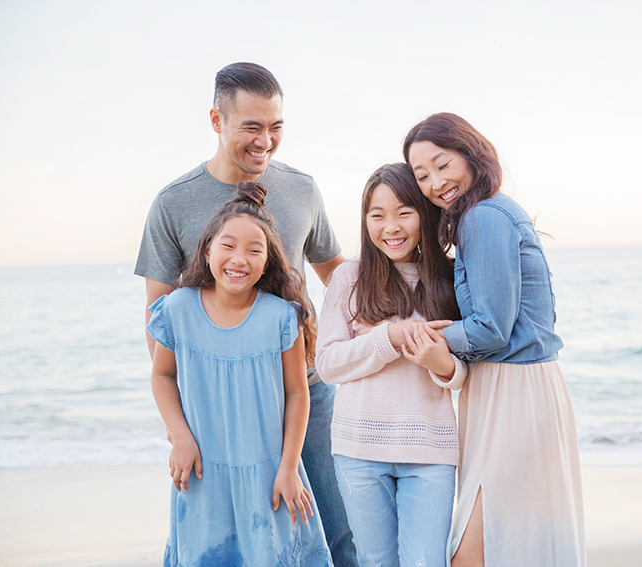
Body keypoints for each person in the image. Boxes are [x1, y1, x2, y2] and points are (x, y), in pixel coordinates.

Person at [135, 62, 357, 566]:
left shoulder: (302, 190)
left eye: (276, 127)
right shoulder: (173, 203)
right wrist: (183, 427)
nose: (266, 141)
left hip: (309, 387)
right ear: (216, 120)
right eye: (251, 127)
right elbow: (158, 317)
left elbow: (339, 279)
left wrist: (387, 331)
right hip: (223, 406)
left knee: (339, 525)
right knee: (231, 539)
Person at [404, 113, 586, 567]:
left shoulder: (483, 217)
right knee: (516, 543)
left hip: (514, 394)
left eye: (442, 164)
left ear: (470, 152)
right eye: (421, 175)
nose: (434, 183)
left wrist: (434, 340)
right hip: (520, 390)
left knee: (478, 552)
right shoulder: (492, 211)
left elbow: (491, 329)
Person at [148, 182, 332, 565]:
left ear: (268, 262)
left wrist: (288, 468)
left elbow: (298, 394)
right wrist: (180, 435)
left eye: (254, 250)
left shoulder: (282, 317)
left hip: (269, 473)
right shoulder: (178, 310)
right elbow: (162, 375)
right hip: (203, 472)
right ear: (208, 249)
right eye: (228, 245)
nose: (239, 258)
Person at [315, 163, 465, 567]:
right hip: (358, 449)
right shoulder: (349, 277)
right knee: (376, 562)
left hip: (430, 450)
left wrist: (443, 366)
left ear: (424, 212)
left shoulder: (450, 279)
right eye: (377, 215)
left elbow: (467, 371)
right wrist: (390, 339)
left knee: (426, 562)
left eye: (403, 212)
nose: (390, 227)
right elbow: (327, 364)